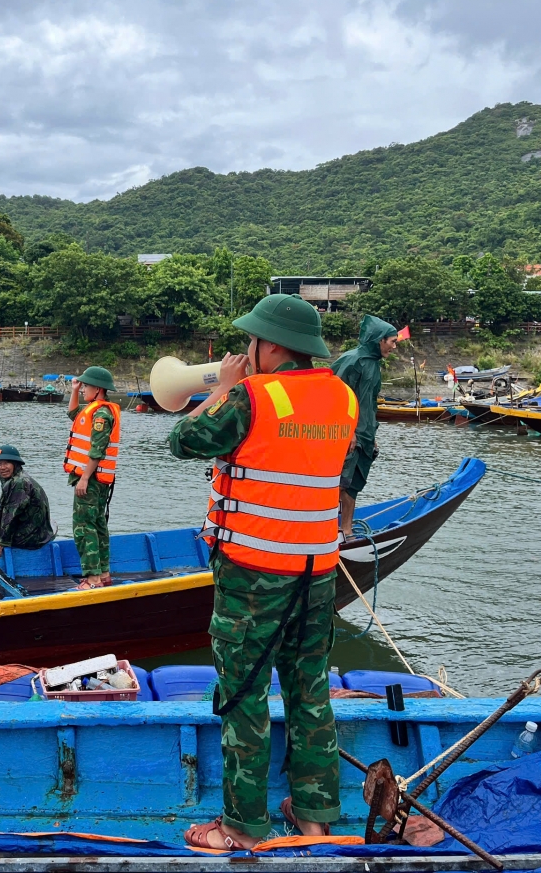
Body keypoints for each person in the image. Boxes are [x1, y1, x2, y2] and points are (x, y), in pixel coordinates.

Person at [168, 294, 357, 849]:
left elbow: (182, 440)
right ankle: (316, 817)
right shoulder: (343, 397)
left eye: (251, 341)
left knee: (243, 693)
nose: (245, 350)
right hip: (317, 573)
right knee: (310, 689)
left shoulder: (252, 397)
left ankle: (241, 826)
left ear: (271, 345)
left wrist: (223, 388)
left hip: (253, 575)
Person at [330, 315, 398, 538]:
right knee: (339, 481)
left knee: (353, 483)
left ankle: (346, 529)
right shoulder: (352, 361)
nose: (394, 347)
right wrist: (347, 432)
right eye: (392, 342)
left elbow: (368, 402)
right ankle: (324, 529)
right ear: (380, 340)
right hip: (348, 434)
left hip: (364, 434)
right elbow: (336, 398)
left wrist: (371, 433)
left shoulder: (374, 364)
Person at [64, 366, 120, 589]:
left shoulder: (101, 414)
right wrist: (75, 390)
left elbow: (98, 449)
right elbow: (72, 414)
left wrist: (85, 478)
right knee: (97, 525)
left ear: (97, 389)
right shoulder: (95, 410)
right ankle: (103, 575)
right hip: (99, 480)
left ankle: (92, 578)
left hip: (92, 480)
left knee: (84, 527)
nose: (84, 388)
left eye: (86, 386)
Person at [0, 444, 55, 558]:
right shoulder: (14, 480)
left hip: (33, 538)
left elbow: (10, 516)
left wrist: (1, 542)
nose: (2, 467)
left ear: (15, 464)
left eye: (6, 463)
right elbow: (3, 512)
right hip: (33, 532)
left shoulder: (19, 483)